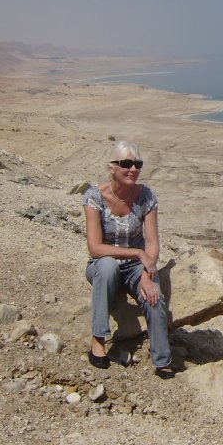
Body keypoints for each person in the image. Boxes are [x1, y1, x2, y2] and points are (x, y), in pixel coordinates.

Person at [82, 141, 176, 379]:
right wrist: (137, 253)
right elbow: (95, 248)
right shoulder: (94, 197)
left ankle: (163, 360)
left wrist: (147, 274)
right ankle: (98, 341)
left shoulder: (146, 196)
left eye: (137, 164)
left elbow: (152, 242)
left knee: (154, 294)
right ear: (112, 167)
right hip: (104, 264)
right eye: (126, 164)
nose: (133, 169)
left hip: (136, 267)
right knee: (107, 265)